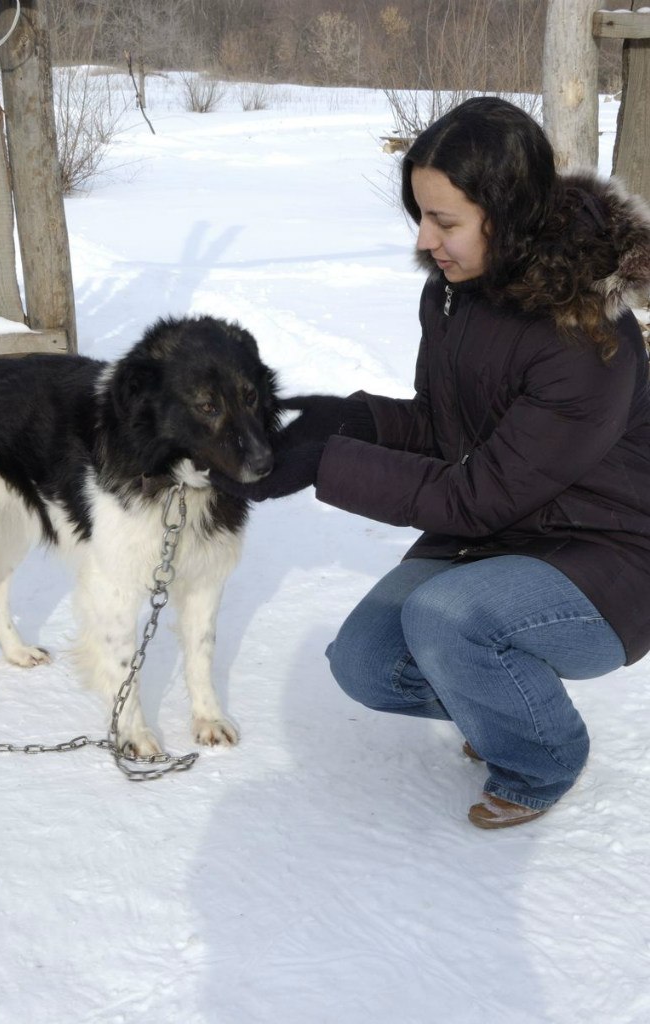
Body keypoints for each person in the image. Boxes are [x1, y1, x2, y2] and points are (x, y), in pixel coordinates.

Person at [211, 97, 650, 829]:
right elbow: (447, 425)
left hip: (608, 553)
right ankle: (504, 697)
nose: (425, 240)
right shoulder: (456, 290)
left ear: (506, 214)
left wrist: (327, 464)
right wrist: (339, 417)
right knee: (364, 664)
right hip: (507, 530)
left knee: (446, 617)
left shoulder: (585, 335)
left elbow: (477, 495)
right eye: (420, 215)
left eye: (445, 221)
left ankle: (542, 755)